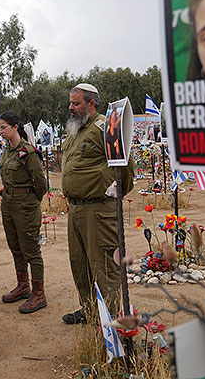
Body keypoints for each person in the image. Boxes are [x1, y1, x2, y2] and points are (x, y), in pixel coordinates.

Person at [61, 83, 134, 324]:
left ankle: (111, 321)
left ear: (91, 104)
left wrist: (109, 194)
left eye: (76, 103)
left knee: (103, 267)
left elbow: (125, 169)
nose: (71, 107)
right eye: (70, 103)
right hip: (76, 210)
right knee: (80, 265)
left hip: (99, 211)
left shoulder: (105, 128)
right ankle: (91, 310)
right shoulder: (77, 129)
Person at [0, 112, 47, 313]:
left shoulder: (28, 152)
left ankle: (39, 294)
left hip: (25, 205)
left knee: (31, 250)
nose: (0, 131)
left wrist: (30, 201)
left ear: (15, 127)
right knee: (15, 246)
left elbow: (41, 183)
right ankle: (23, 285)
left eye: (3, 127)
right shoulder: (7, 150)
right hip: (8, 203)